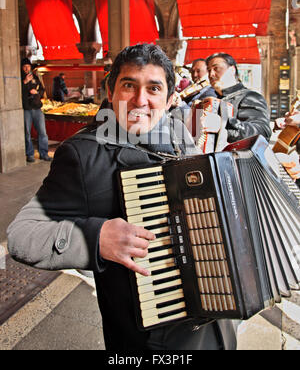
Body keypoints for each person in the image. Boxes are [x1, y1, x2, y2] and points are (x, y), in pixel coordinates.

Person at [8, 44, 236, 351]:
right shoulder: (83, 154)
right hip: (150, 337)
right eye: (129, 85)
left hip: (217, 319)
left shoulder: (179, 132)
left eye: (154, 88)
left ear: (170, 99)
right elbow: (21, 236)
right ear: (111, 91)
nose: (140, 100)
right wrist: (95, 238)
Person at [196, 53, 272, 151]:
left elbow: (262, 132)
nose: (211, 75)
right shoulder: (212, 100)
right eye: (209, 70)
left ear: (232, 70)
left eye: (216, 68)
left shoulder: (250, 96)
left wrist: (223, 125)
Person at [20, 58, 51, 163]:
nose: (26, 68)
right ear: (21, 68)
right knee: (27, 133)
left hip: (37, 108)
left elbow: (42, 89)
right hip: (26, 109)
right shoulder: (19, 79)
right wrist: (25, 82)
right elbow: (17, 92)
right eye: (24, 66)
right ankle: (30, 154)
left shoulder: (35, 77)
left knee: (43, 132)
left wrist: (37, 92)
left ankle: (44, 153)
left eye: (28, 66)